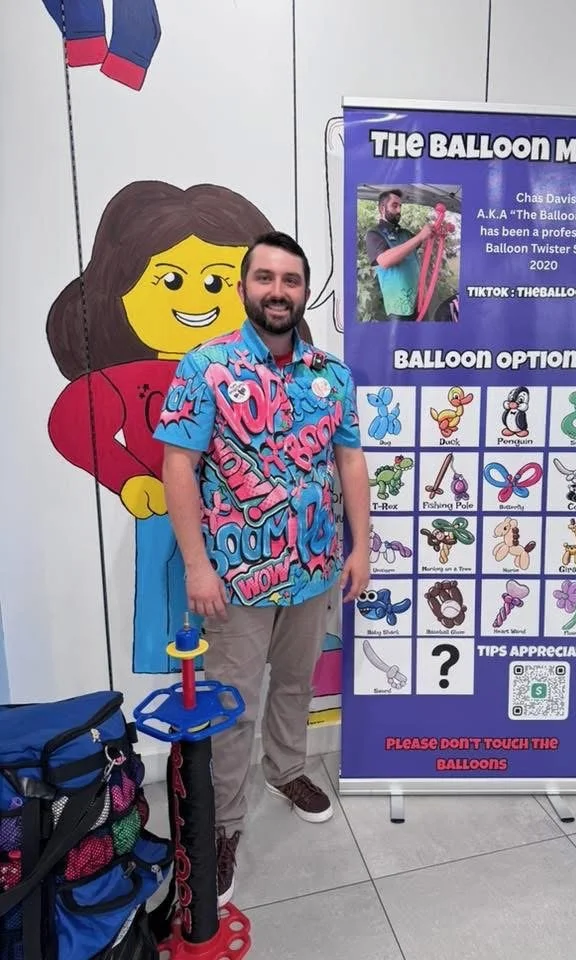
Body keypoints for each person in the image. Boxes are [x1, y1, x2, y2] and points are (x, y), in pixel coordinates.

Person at [153, 231, 371, 906]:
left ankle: (286, 770)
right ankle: (223, 824)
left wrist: (361, 546)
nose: (279, 291)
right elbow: (178, 465)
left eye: (291, 280)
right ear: (245, 285)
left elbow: (351, 462)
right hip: (237, 581)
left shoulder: (331, 375)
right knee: (231, 705)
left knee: (295, 687)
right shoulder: (205, 367)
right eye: (266, 278)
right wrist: (196, 565)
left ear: (305, 291)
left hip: (313, 570)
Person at [364, 188, 433, 320]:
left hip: (420, 302)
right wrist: (419, 237)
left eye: (400, 206)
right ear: (382, 208)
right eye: (394, 205)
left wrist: (435, 231)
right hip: (398, 309)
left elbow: (424, 241)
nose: (399, 210)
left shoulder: (405, 233)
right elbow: (384, 261)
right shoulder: (374, 234)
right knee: (403, 341)